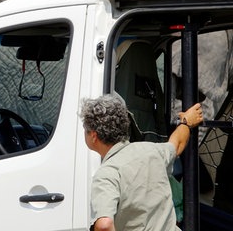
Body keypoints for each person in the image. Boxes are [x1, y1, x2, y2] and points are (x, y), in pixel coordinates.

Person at [80, 94, 203, 231]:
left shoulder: (107, 174)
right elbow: (177, 144)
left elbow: (104, 225)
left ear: (93, 136)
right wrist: (186, 122)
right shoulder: (152, 150)